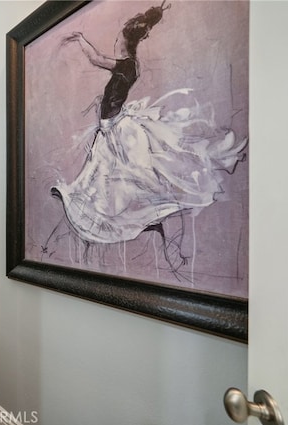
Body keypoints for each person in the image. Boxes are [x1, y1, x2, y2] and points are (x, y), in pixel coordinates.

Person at [44, 1, 247, 271]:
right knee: (103, 184)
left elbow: (95, 59)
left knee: (117, 185)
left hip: (117, 129)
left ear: (124, 41)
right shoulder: (129, 65)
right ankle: (132, 228)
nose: (115, 43)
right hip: (111, 128)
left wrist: (81, 39)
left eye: (118, 40)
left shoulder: (127, 65)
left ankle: (143, 227)